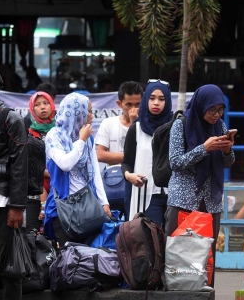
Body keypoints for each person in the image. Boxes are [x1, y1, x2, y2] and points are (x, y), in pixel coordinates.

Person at [165, 84, 234, 300]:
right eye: (212, 110)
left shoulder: (220, 126)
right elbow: (175, 162)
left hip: (211, 201)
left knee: (207, 257)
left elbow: (227, 163)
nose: (216, 115)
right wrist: (203, 149)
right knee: (180, 255)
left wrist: (227, 149)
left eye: (220, 110)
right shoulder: (180, 125)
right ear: (201, 105)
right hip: (184, 200)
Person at [43, 93, 112, 246]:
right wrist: (80, 140)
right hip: (64, 209)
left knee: (88, 258)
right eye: (89, 111)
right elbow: (65, 164)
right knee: (67, 258)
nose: (92, 116)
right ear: (78, 112)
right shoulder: (54, 136)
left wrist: (104, 202)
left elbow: (95, 173)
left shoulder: (89, 139)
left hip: (89, 208)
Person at [0, 71, 29, 300]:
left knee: (9, 260)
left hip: (3, 201)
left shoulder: (11, 119)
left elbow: (19, 165)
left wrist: (17, 206)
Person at [122, 80, 172, 226]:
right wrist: (128, 175)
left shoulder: (175, 127)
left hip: (173, 196)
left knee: (172, 244)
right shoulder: (136, 129)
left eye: (161, 99)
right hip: (145, 196)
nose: (156, 103)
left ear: (168, 101)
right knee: (149, 242)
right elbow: (126, 162)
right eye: (152, 98)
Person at [25, 91, 56, 232]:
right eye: (37, 105)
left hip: (59, 185)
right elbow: (26, 161)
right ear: (32, 109)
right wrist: (44, 173)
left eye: (46, 103)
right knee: (33, 232)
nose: (42, 107)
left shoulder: (60, 130)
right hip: (35, 187)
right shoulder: (28, 132)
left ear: (52, 105)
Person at [95, 81, 143, 168]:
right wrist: (129, 156)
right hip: (114, 178)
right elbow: (100, 155)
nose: (133, 109)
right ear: (119, 104)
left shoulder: (147, 125)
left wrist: (135, 124)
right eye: (129, 104)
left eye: (138, 104)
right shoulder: (108, 123)